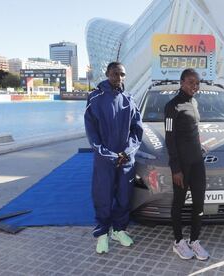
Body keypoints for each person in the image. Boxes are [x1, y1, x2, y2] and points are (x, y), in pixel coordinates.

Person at [84, 62, 143, 254]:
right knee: (103, 195)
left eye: (122, 74)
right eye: (115, 74)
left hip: (126, 158)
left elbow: (137, 130)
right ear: (107, 73)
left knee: (124, 196)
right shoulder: (95, 98)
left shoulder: (129, 99)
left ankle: (119, 230)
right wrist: (109, 155)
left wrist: (128, 151)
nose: (119, 78)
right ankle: (102, 234)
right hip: (105, 159)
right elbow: (92, 134)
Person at [164, 68, 210, 260]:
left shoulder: (195, 102)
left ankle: (194, 241)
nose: (195, 86)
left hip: (197, 162)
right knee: (179, 203)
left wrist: (200, 148)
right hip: (181, 165)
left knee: (199, 203)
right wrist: (176, 169)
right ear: (182, 82)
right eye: (191, 82)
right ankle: (178, 242)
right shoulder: (172, 106)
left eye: (197, 83)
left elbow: (193, 131)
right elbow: (169, 139)